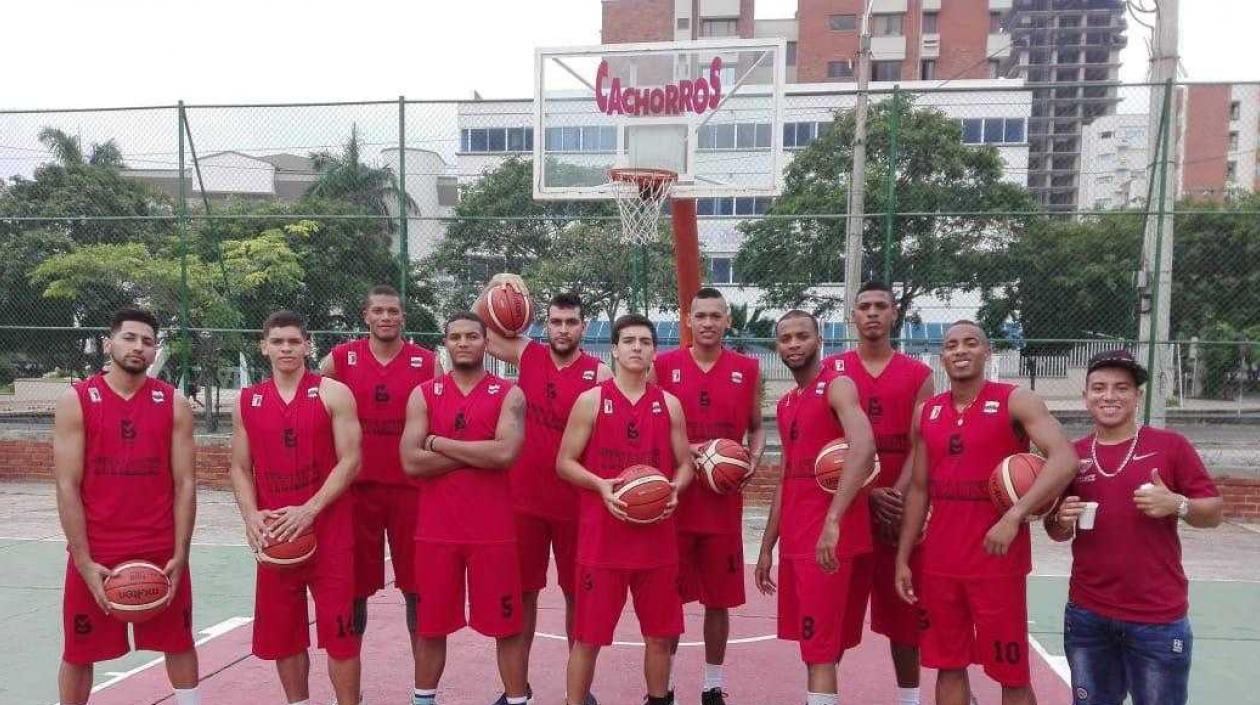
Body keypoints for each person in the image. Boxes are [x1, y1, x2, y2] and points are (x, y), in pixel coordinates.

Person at [895, 321, 1078, 705]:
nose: (960, 350)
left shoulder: (1017, 400)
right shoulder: (926, 412)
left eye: (970, 343)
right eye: (951, 345)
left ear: (987, 351)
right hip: (940, 560)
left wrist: (1015, 515)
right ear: (942, 357)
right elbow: (919, 489)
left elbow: (1065, 458)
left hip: (998, 559)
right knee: (948, 666)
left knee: (1011, 673)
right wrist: (903, 557)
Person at [1045, 349, 1223, 705]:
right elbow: (1056, 529)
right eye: (1099, 388)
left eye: (1121, 388)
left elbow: (1214, 511)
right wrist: (1062, 520)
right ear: (1085, 396)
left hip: (1156, 616)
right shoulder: (1072, 455)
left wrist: (1179, 504)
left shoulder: (1170, 446)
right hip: (1088, 613)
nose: (1109, 396)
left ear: (1137, 396)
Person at [53, 308, 200, 705]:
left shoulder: (173, 403)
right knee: (78, 652)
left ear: (155, 352)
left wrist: (182, 553)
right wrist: (83, 560)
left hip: (160, 547)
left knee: (179, 642)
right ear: (109, 343)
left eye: (147, 341)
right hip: (98, 548)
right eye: (129, 338)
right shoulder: (77, 400)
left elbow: (186, 483)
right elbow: (67, 485)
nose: (138, 347)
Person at [478, 277, 611, 704]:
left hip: (576, 505)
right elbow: (478, 326)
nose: (563, 329)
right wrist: (496, 285)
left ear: (584, 326)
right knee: (522, 597)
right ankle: (518, 691)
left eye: (571, 322)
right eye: (556, 322)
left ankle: (578, 691)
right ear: (545, 324)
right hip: (524, 502)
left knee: (577, 598)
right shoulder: (528, 354)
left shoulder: (600, 374)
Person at [557, 313, 694, 705]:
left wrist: (675, 489)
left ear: (654, 352)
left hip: (656, 543)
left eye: (645, 342)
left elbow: (685, 464)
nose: (637, 347)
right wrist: (600, 485)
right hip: (603, 543)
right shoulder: (591, 401)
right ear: (614, 350)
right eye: (629, 341)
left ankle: (658, 699)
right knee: (587, 639)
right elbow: (564, 462)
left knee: (660, 636)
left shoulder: (669, 404)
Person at [230, 310, 363, 705]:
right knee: (285, 637)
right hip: (276, 536)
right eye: (277, 342)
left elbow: (351, 460)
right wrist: (250, 516)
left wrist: (309, 509)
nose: (286, 348)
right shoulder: (247, 401)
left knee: (341, 636)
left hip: (330, 532)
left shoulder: (333, 393)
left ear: (307, 345)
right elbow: (239, 467)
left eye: (293, 341)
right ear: (264, 347)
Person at [400, 313, 528, 705]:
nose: (463, 343)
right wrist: (478, 453)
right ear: (446, 343)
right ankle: (423, 701)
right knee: (430, 627)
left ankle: (518, 700)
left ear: (486, 342)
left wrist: (437, 442)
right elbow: (411, 461)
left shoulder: (509, 394)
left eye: (472, 336)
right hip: (437, 531)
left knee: (507, 627)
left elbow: (504, 454)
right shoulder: (424, 393)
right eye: (455, 337)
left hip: (493, 532)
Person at [320, 284, 439, 701]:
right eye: (378, 311)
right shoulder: (340, 359)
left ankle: (422, 694)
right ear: (365, 316)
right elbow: (313, 401)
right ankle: (350, 694)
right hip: (357, 492)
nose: (386, 317)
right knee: (352, 593)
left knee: (418, 592)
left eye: (393, 311)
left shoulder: (427, 362)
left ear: (403, 317)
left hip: (412, 492)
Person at [755, 310, 877, 705]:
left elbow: (864, 446)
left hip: (829, 539)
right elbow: (786, 477)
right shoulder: (787, 403)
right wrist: (767, 546)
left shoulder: (837, 385)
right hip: (798, 538)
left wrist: (833, 520)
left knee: (820, 650)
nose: (793, 344)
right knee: (819, 647)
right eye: (785, 338)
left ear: (819, 340)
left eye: (802, 336)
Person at [821, 282, 933, 705]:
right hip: (849, 507)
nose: (872, 313)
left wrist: (895, 496)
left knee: (905, 619)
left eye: (880, 306)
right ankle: (823, 698)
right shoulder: (832, 371)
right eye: (864, 306)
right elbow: (824, 445)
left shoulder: (919, 375)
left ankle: (910, 700)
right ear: (852, 316)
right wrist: (865, 493)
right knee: (835, 620)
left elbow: (920, 444)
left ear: (893, 314)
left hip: (897, 512)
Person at [654, 287, 764, 705]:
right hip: (676, 503)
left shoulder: (747, 368)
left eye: (716, 316)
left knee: (719, 602)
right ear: (688, 319)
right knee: (669, 600)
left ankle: (712, 685)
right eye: (700, 315)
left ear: (728, 321)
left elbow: (757, 427)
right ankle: (665, 684)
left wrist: (752, 459)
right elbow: (654, 426)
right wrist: (687, 451)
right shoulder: (664, 366)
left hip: (722, 505)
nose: (708, 323)